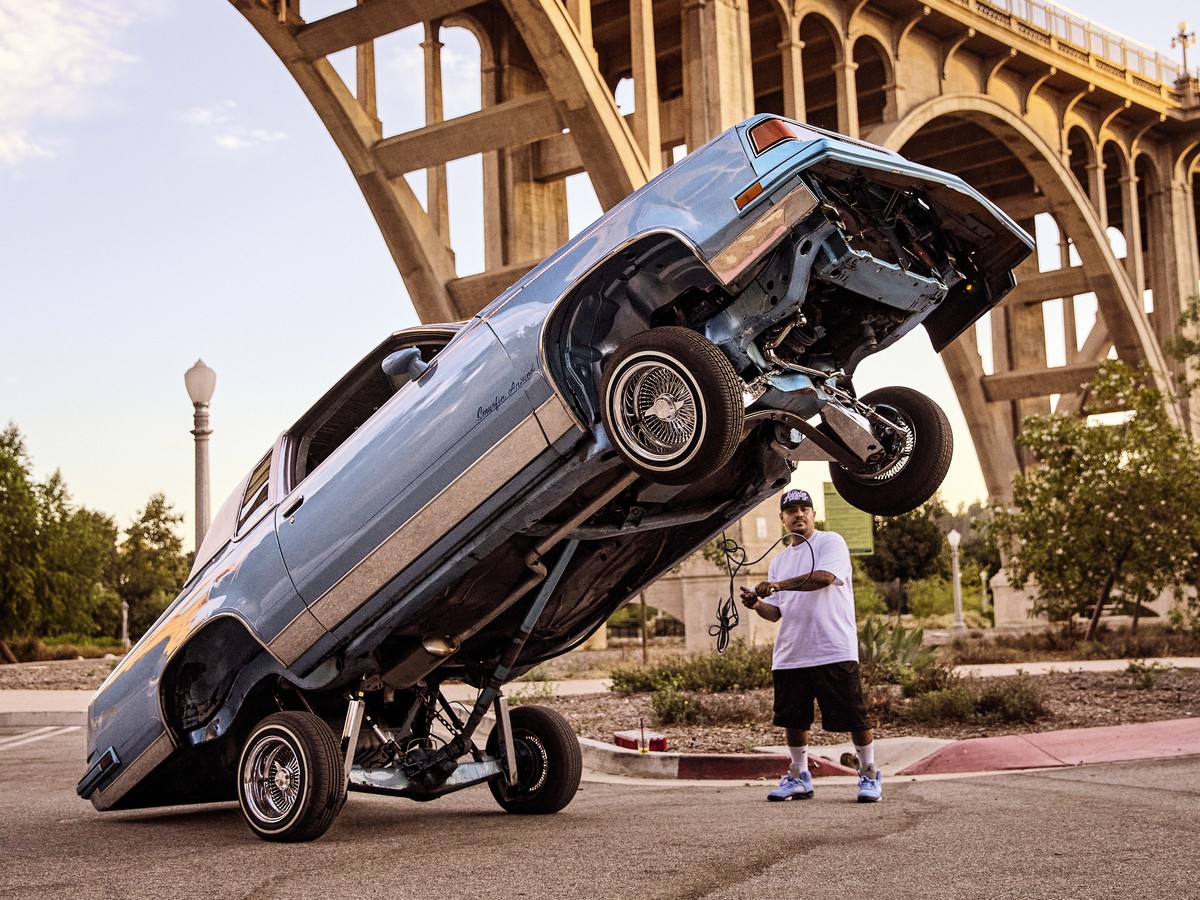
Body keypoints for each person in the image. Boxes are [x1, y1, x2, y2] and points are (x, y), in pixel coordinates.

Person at [739, 488, 881, 802]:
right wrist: (757, 604)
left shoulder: (830, 543)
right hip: (791, 653)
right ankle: (799, 776)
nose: (799, 514)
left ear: (814, 514)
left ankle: (869, 773)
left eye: (805, 508)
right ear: (782, 518)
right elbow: (776, 612)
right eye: (792, 510)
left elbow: (824, 578)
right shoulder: (779, 561)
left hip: (833, 647)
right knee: (793, 719)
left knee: (854, 716)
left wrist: (778, 585)